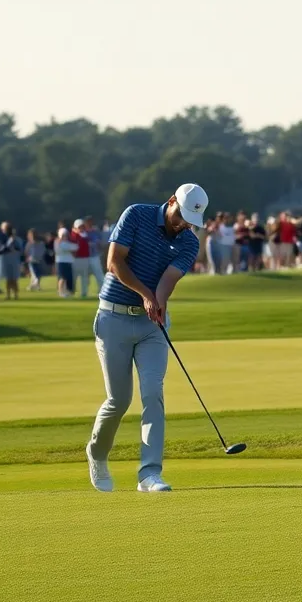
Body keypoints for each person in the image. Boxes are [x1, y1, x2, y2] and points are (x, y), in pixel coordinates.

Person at [86, 182, 208, 494]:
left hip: (151, 326)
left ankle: (149, 474)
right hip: (112, 317)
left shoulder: (188, 243)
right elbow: (115, 262)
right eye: (180, 216)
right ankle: (97, 454)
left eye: (190, 222)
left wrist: (159, 301)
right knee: (119, 400)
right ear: (171, 202)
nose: (183, 225)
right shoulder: (136, 215)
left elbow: (168, 279)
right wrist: (146, 294)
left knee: (153, 392)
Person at [0, 222, 23, 300]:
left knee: (14, 278)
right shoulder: (3, 238)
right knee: (8, 278)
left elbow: (19, 248)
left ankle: (16, 294)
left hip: (14, 259)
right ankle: (8, 294)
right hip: (6, 259)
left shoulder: (17, 239)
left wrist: (14, 245)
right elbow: (2, 248)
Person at [71, 219, 92, 298]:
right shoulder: (74, 235)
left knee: (84, 277)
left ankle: (84, 292)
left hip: (85, 258)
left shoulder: (86, 235)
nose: (82, 228)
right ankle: (72, 291)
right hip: (76, 259)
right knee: (74, 276)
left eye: (83, 226)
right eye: (80, 227)